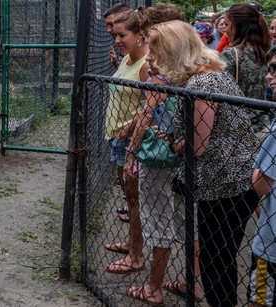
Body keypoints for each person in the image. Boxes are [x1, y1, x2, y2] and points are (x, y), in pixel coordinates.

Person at [147, 20, 260, 307]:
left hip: (226, 184)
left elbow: (198, 145)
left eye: (154, 50)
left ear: (172, 51)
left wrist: (175, 141)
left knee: (216, 257)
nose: (149, 57)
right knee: (216, 254)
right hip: (224, 181)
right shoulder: (204, 77)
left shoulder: (202, 82)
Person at [121, 5, 204, 304]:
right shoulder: (196, 76)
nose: (150, 57)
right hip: (186, 160)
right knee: (186, 220)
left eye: (154, 49)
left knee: (158, 221)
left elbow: (147, 114)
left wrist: (131, 152)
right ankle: (192, 283)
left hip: (159, 160)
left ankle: (153, 288)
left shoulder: (160, 75)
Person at [102, 9, 148, 275]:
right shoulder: (128, 59)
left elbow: (152, 107)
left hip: (131, 143)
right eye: (115, 33)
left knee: (134, 199)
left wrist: (130, 127)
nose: (116, 38)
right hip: (116, 139)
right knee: (129, 196)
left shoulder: (145, 67)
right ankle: (131, 241)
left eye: (122, 35)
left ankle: (136, 255)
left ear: (139, 35)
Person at [248, 46, 276, 307]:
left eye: (275, 69)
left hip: (272, 245)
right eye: (270, 69)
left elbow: (261, 182)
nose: (269, 76)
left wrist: (255, 170)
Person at [220, 3, 271, 140]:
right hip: (264, 126)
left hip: (238, 128)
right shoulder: (265, 52)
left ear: (237, 26)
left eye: (227, 24)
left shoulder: (231, 54)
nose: (225, 30)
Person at [104, 3, 131, 69]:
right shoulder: (128, 56)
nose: (108, 30)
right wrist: (116, 64)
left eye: (111, 24)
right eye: (107, 25)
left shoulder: (147, 62)